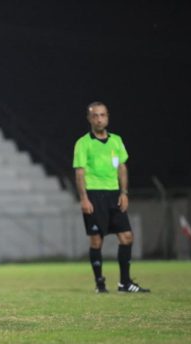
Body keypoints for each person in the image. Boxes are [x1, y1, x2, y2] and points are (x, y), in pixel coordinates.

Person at [73, 101, 150, 294]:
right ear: (89, 119)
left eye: (102, 115)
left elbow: (122, 167)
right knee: (96, 241)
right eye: (95, 116)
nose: (99, 119)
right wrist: (84, 198)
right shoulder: (83, 143)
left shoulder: (116, 140)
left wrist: (124, 193)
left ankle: (125, 283)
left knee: (127, 237)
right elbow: (80, 172)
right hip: (94, 194)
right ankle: (100, 283)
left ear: (107, 117)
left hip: (114, 194)